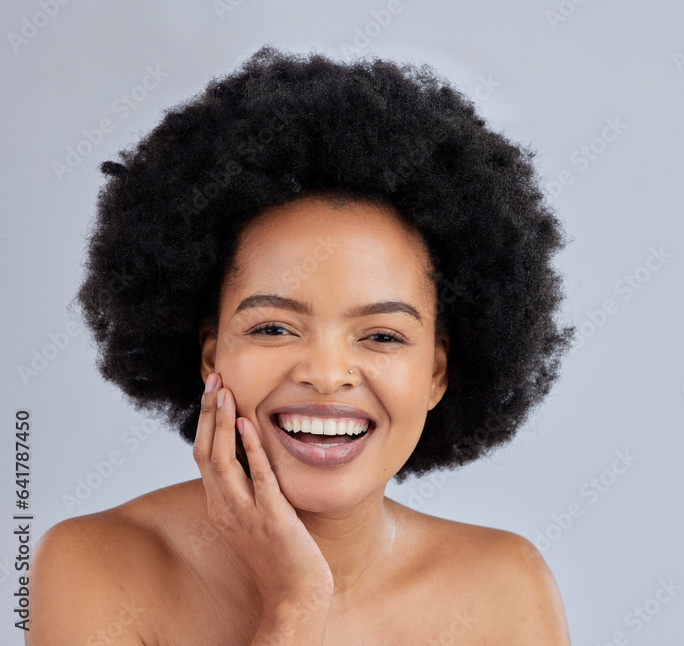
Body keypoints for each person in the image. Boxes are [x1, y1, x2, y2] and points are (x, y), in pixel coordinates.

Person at [27, 45, 575, 644]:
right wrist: (295, 607)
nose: (327, 372)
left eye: (383, 335)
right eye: (273, 328)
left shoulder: (504, 588)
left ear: (438, 373)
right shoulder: (97, 567)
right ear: (212, 355)